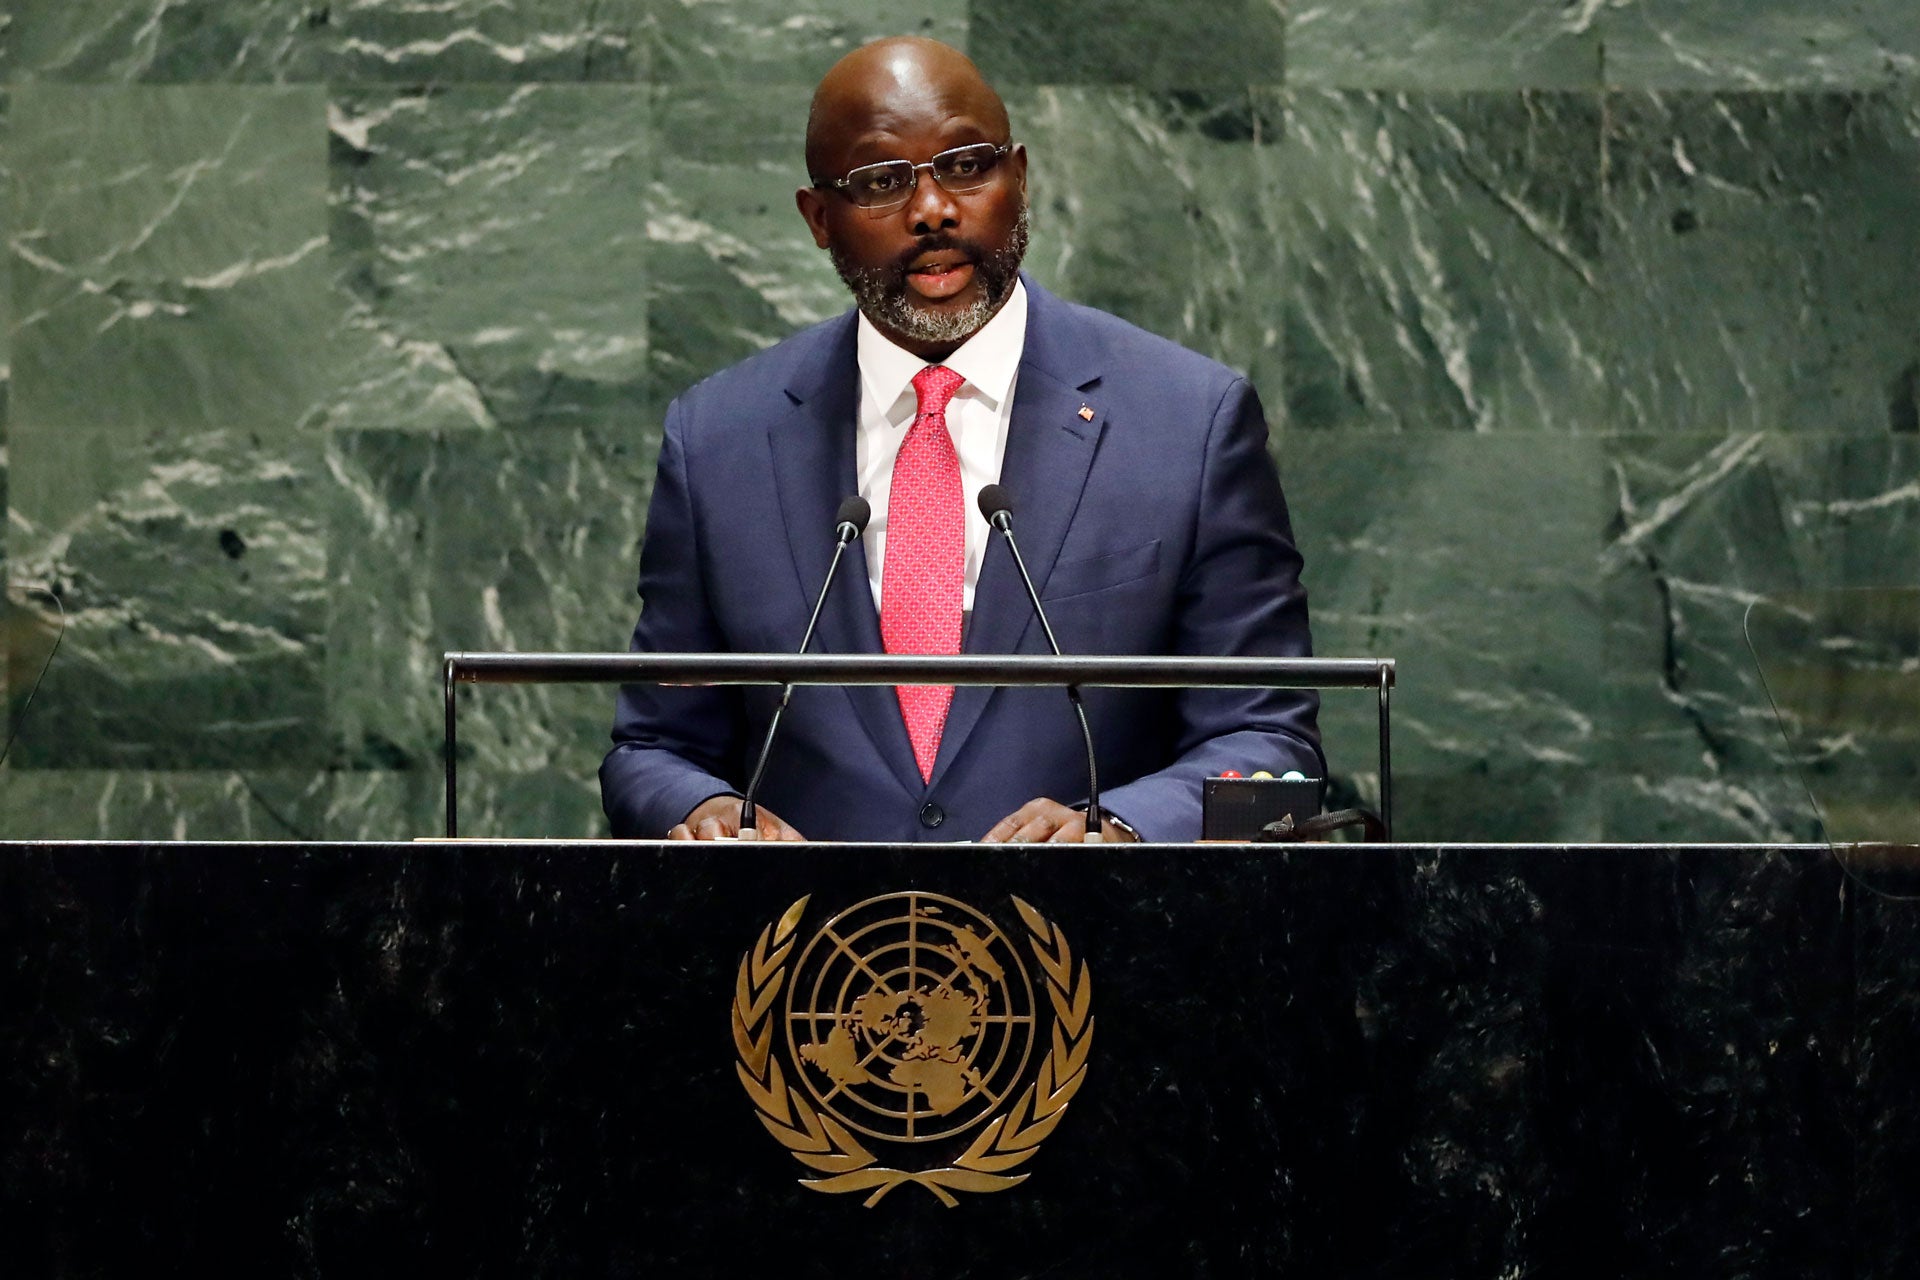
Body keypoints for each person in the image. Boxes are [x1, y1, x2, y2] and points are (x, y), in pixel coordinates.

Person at [600, 36, 1321, 844]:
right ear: (818, 219)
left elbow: (1274, 750)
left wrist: (1123, 831)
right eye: (882, 181)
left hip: (1099, 921)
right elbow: (652, 749)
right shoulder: (718, 441)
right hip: (814, 927)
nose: (933, 210)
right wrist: (700, 812)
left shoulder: (1189, 423)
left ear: (1020, 178)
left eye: (968, 166)